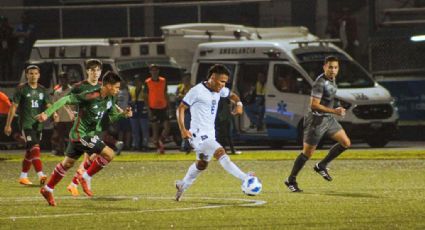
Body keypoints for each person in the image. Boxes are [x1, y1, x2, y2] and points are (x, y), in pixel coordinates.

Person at [37, 72, 132, 206]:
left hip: (86, 135)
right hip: (80, 134)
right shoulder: (91, 95)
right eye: (116, 87)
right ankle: (85, 177)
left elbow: (111, 118)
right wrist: (47, 113)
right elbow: (64, 99)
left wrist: (123, 115)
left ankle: (47, 189)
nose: (118, 90)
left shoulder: (110, 99)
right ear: (109, 86)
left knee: (67, 164)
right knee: (109, 153)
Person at [175, 64, 253, 201]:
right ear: (212, 78)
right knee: (220, 152)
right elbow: (181, 108)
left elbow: (233, 95)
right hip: (198, 135)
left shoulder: (219, 89)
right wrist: (183, 129)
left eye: (225, 82)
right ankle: (245, 179)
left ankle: (183, 185)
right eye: (221, 81)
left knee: (202, 164)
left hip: (210, 134)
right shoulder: (197, 91)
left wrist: (239, 105)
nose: (223, 85)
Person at [284, 56, 351, 192]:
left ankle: (322, 165)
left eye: (335, 67)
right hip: (315, 121)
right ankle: (290, 180)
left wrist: (338, 105)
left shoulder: (332, 79)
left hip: (328, 119)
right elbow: (314, 105)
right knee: (307, 154)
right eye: (330, 67)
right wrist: (335, 111)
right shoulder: (320, 83)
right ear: (324, 67)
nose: (333, 70)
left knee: (346, 143)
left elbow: (328, 98)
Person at [3, 65, 52, 186]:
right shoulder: (21, 89)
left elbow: (48, 105)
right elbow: (13, 107)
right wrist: (8, 125)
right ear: (26, 75)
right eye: (31, 73)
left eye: (35, 73)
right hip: (26, 124)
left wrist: (54, 113)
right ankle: (41, 174)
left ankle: (23, 177)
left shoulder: (42, 90)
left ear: (39, 75)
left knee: (30, 151)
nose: (33, 76)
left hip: (38, 124)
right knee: (35, 147)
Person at [144, 64, 170, 154]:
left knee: (167, 127)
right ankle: (159, 148)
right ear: (150, 72)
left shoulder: (163, 80)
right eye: (152, 70)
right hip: (153, 108)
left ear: (158, 71)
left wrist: (169, 106)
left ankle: (160, 141)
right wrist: (148, 109)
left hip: (163, 107)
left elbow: (166, 93)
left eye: (156, 70)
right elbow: (146, 97)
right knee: (155, 130)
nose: (154, 72)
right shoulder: (147, 82)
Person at [50, 72, 74, 156]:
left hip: (70, 118)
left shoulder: (72, 91)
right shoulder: (57, 92)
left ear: (68, 80)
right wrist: (54, 115)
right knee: (60, 136)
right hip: (60, 118)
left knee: (71, 136)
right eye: (61, 79)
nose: (63, 81)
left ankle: (71, 151)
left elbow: (76, 104)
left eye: (65, 79)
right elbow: (54, 105)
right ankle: (60, 151)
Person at [128, 74, 149, 151]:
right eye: (135, 80)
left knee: (144, 129)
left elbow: (147, 100)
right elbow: (129, 100)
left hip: (143, 110)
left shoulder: (145, 89)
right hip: (134, 111)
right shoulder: (131, 89)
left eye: (139, 80)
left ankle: (145, 144)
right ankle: (135, 144)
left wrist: (149, 111)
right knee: (134, 129)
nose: (137, 82)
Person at [175, 72, 192, 153]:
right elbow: (176, 97)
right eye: (185, 78)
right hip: (181, 109)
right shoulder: (179, 87)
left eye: (188, 78)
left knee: (187, 127)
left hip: (189, 110)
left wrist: (182, 97)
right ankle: (185, 144)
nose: (187, 80)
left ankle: (186, 145)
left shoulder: (192, 87)